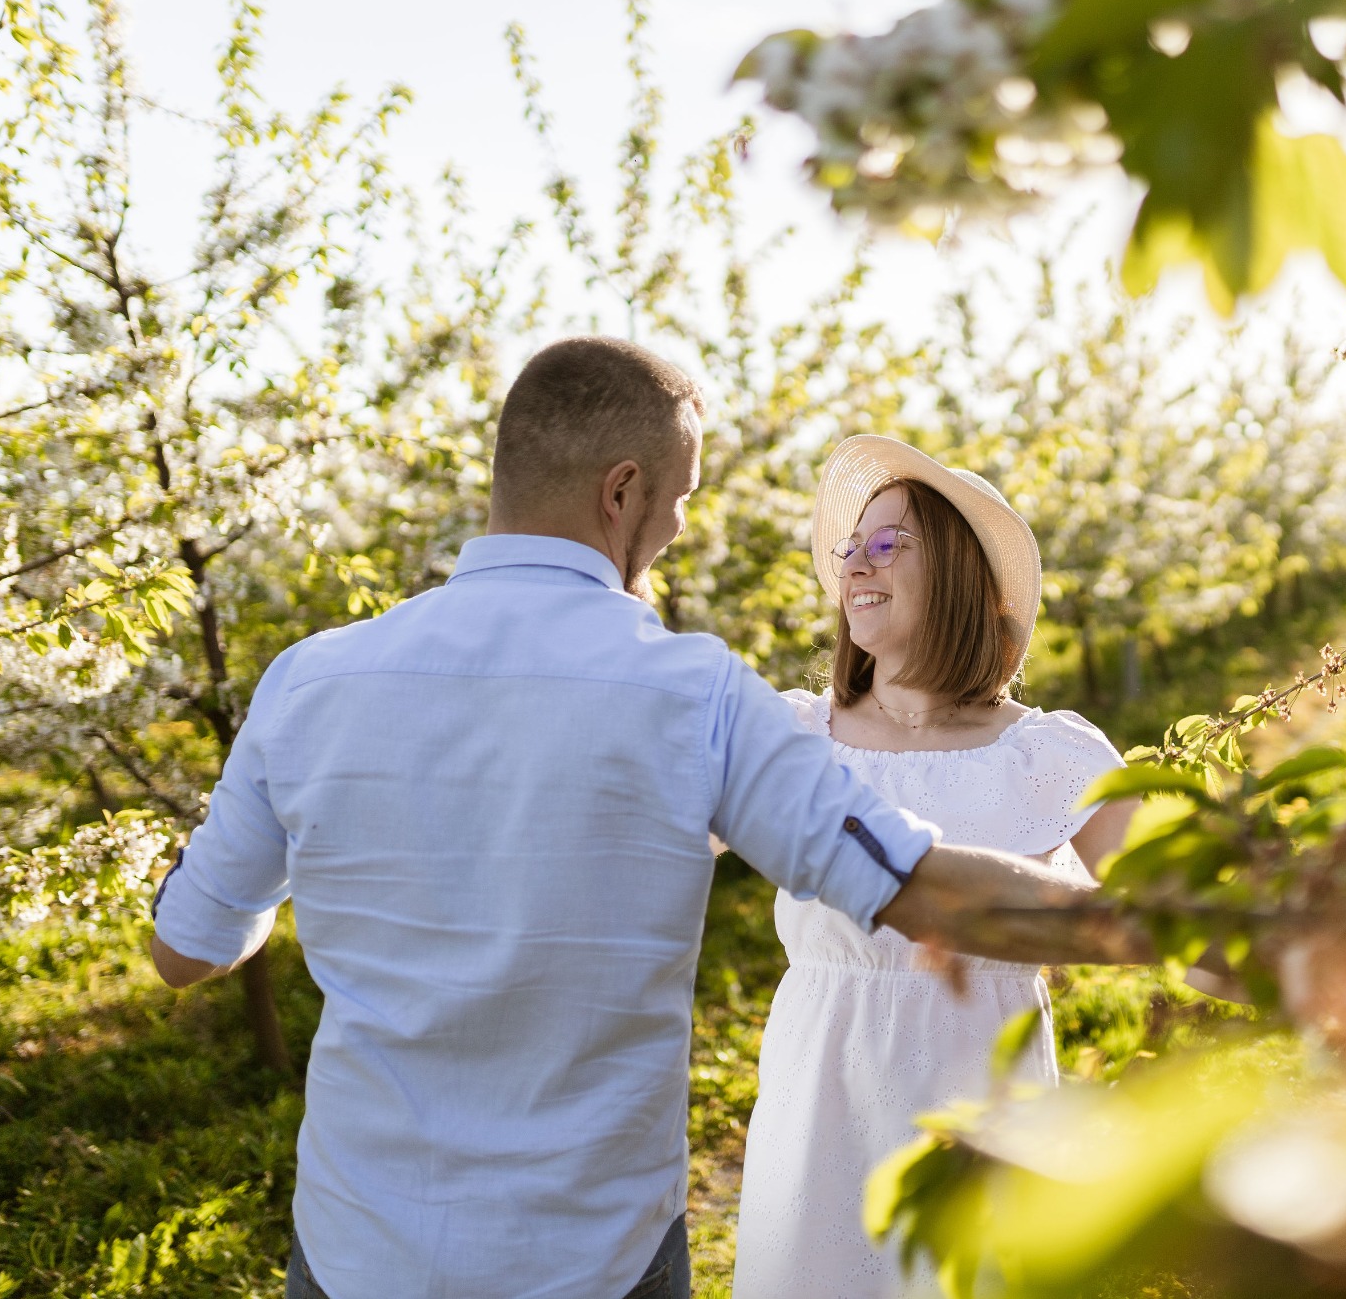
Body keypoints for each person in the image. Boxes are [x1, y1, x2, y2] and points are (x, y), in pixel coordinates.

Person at [145, 338, 1146, 1299]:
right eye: (680, 499)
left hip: (359, 1248)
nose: (675, 528)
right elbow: (917, 886)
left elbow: (186, 946)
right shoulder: (693, 696)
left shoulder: (307, 682)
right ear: (621, 492)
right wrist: (1170, 925)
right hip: (594, 1256)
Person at [733, 437, 1139, 1299]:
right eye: (851, 547)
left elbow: (1187, 916)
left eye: (888, 542)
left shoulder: (1048, 753)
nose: (855, 564)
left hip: (981, 1109)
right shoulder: (791, 735)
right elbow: (634, 837)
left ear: (956, 572)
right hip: (822, 1104)